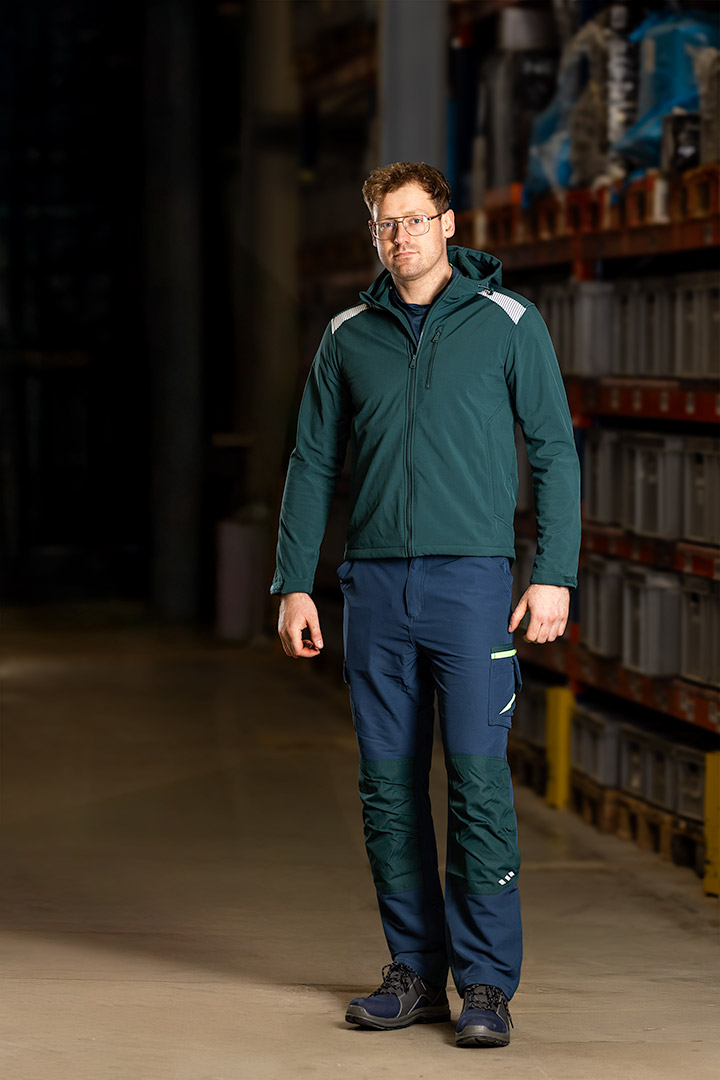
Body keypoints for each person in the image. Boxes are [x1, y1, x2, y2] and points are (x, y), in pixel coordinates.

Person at [270, 161, 580, 1049]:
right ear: (374, 234)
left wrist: (553, 572)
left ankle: (484, 984)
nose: (400, 237)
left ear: (449, 224)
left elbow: (553, 450)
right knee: (387, 788)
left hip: (472, 586)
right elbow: (311, 462)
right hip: (374, 589)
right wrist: (295, 582)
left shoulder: (509, 322)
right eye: (385, 224)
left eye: (414, 220)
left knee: (477, 785)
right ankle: (413, 969)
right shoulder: (348, 335)